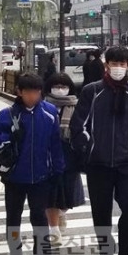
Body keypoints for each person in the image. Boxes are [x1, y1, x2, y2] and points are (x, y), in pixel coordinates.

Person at [70, 46, 128, 255]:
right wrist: (88, 149)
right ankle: (106, 254)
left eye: (123, 64)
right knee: (101, 213)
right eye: (114, 63)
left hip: (126, 163)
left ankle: (126, 253)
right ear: (107, 65)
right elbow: (78, 125)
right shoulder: (92, 91)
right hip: (98, 165)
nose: (118, 68)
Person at [0, 73, 65, 255]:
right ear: (19, 91)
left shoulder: (50, 112)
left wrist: (58, 169)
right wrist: (8, 135)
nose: (32, 96)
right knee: (13, 217)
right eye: (28, 92)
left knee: (39, 217)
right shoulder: (6, 115)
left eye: (37, 92)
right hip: (14, 178)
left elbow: (56, 143)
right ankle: (15, 248)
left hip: (41, 176)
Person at [44, 73, 86, 245]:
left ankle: (62, 213)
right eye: (56, 86)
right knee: (50, 195)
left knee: (68, 194)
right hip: (48, 157)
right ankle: (53, 229)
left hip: (70, 156)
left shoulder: (77, 107)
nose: (60, 90)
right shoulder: (43, 106)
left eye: (63, 86)